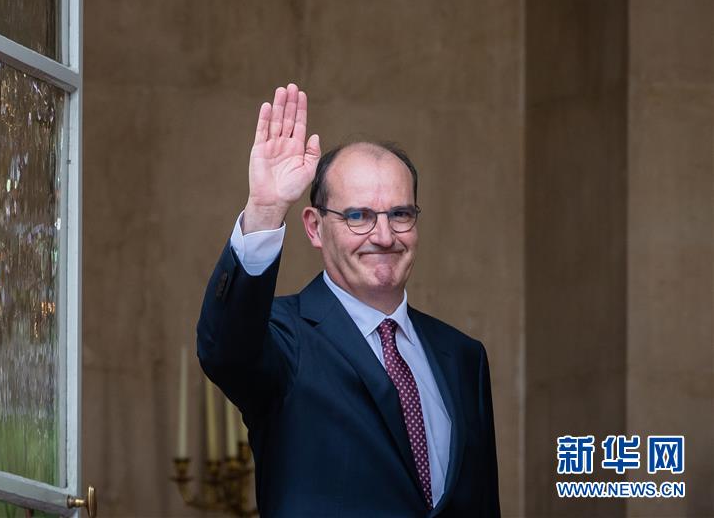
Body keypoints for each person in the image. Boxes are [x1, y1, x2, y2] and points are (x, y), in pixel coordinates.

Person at [197, 83, 501, 517]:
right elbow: (224, 351)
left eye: (400, 214)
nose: (384, 235)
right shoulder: (285, 338)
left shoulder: (464, 357)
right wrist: (265, 209)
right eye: (359, 216)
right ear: (315, 227)